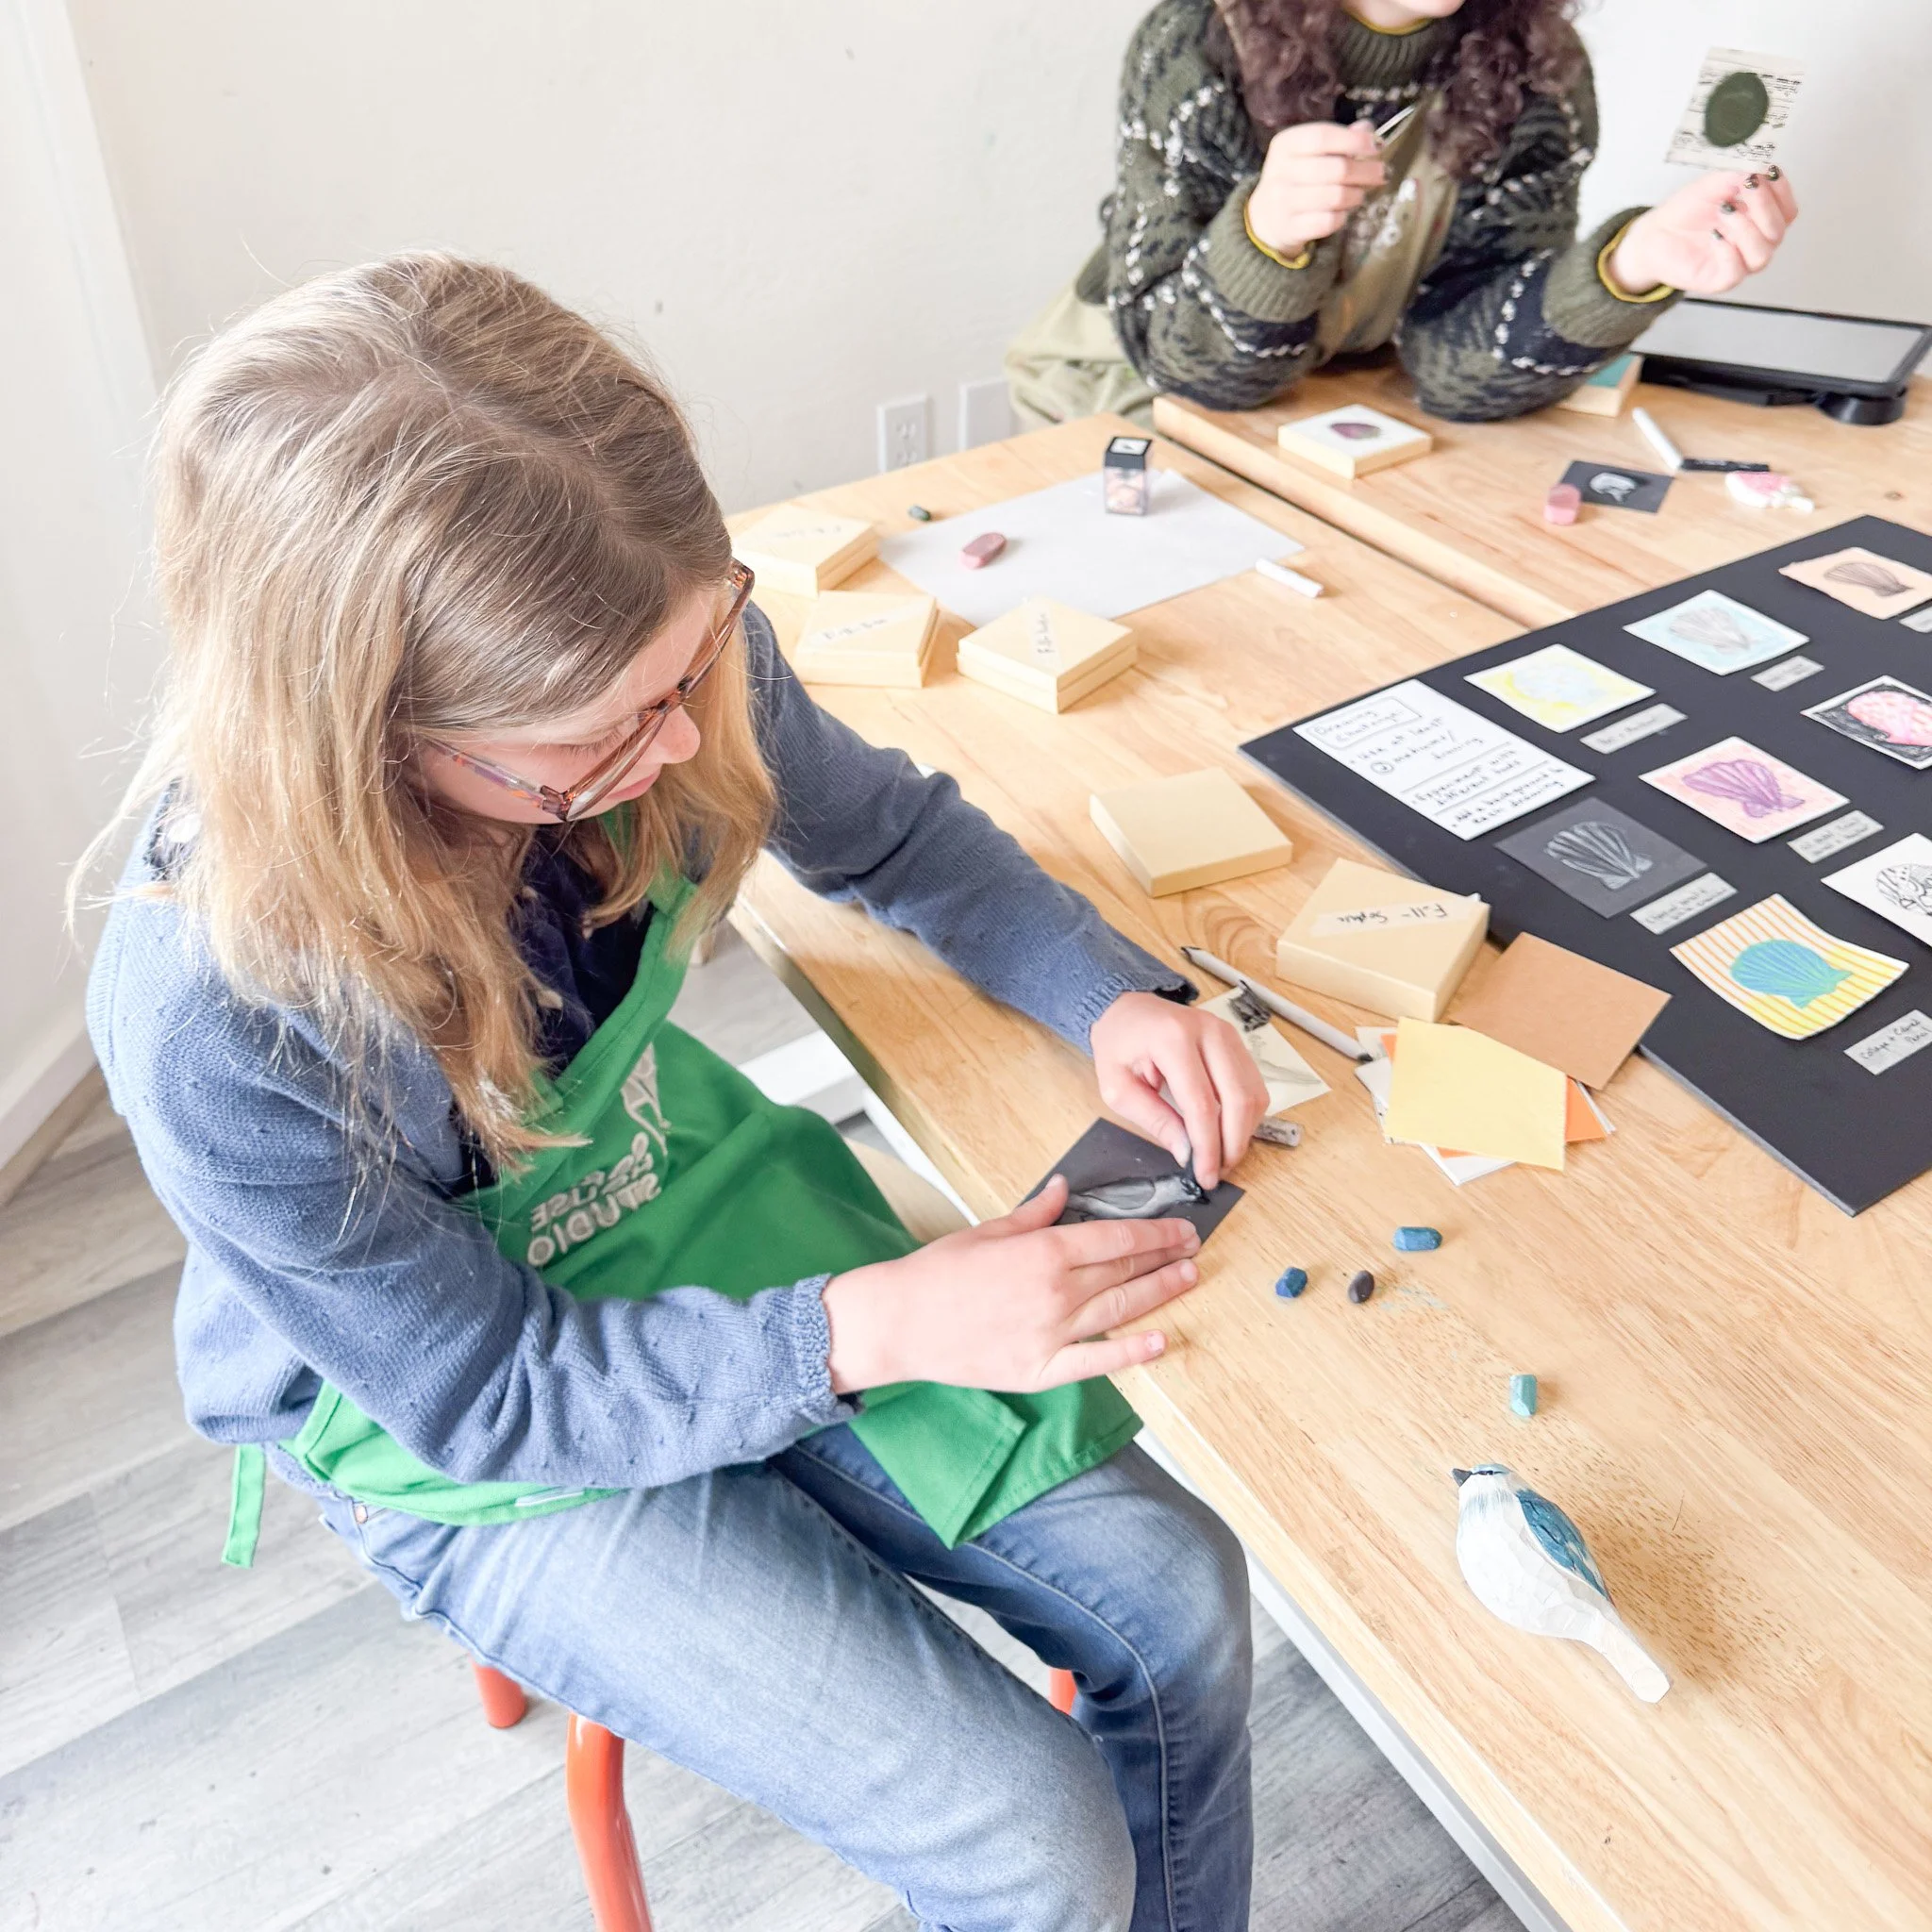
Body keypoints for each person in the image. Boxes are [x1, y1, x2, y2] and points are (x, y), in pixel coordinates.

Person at [83, 254, 1272, 1931]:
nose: (666, 748)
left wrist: (1102, 988)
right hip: (463, 1417)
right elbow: (496, 1390)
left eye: (689, 668)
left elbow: (883, 830)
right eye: (585, 744)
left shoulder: (664, 648)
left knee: (1186, 1602)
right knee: (1028, 1839)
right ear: (366, 736)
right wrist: (871, 1327)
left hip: (664, 1198)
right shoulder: (218, 1008)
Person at [1007, 0, 1799, 427]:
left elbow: (1456, 371)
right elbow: (1194, 377)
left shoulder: (1533, 60)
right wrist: (1265, 241)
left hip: (1339, 397)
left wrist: (1628, 269)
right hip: (1131, 393)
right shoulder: (1196, 40)